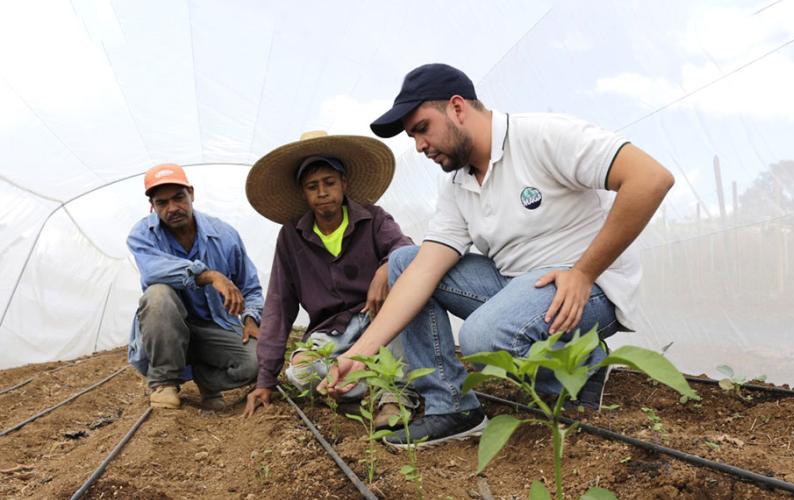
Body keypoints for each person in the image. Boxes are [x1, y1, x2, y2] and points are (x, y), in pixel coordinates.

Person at [319, 63, 675, 448]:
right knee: (405, 263)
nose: (419, 146)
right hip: (515, 285)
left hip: (587, 287)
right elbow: (422, 273)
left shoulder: (541, 136)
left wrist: (584, 273)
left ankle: (583, 365)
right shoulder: (458, 185)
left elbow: (650, 179)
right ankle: (452, 407)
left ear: (457, 108)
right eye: (413, 137)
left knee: (482, 339)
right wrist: (358, 355)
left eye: (422, 128)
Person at [242, 131, 415, 426]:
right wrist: (266, 379)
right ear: (303, 193)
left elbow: (407, 251)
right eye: (312, 186)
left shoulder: (373, 219)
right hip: (330, 332)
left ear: (344, 183)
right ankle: (367, 383)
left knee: (400, 316)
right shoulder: (291, 237)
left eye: (329, 182)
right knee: (300, 372)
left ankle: (391, 395)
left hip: (376, 318)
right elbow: (279, 305)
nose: (322, 192)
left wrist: (386, 267)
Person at [127, 163, 263, 410]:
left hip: (213, 329)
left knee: (258, 361)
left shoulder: (224, 235)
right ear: (152, 206)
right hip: (168, 329)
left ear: (191, 193)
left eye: (178, 198)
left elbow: (250, 287)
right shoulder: (143, 234)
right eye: (162, 203)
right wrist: (209, 276)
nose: (172, 208)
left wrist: (251, 318)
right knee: (157, 294)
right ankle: (165, 383)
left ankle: (205, 379)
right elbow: (153, 271)